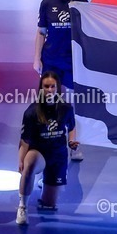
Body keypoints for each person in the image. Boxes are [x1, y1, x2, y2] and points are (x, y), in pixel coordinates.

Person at [34, 0, 88, 158]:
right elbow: (41, 32)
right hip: (51, 60)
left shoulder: (82, 3)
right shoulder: (47, 3)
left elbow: (87, 34)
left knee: (72, 105)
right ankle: (45, 142)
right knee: (49, 102)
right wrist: (36, 58)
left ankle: (73, 146)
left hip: (73, 62)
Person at [17, 71, 80, 225]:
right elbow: (24, 141)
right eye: (46, 86)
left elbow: (71, 127)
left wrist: (72, 141)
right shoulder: (32, 112)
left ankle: (46, 181)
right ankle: (22, 206)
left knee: (49, 205)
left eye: (53, 86)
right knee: (29, 164)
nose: (50, 90)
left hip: (58, 154)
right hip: (39, 151)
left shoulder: (66, 108)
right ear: (41, 88)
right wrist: (21, 161)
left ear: (58, 88)